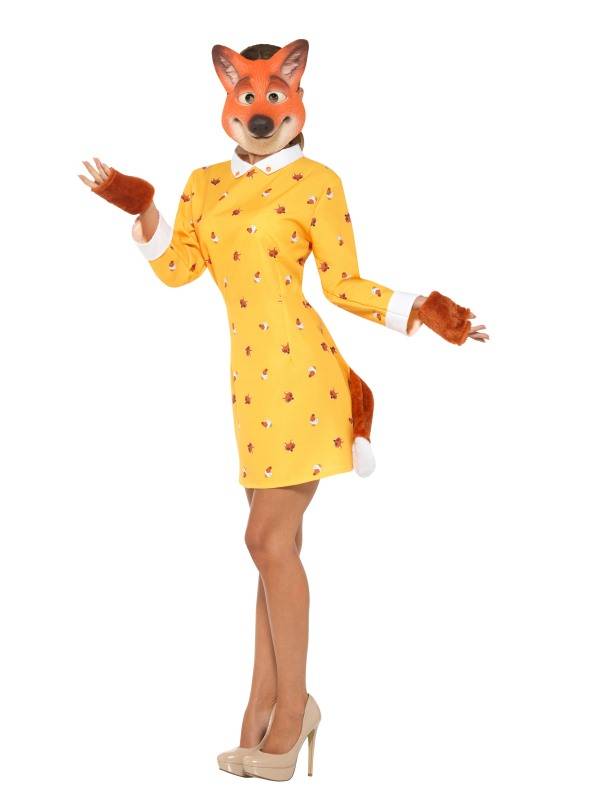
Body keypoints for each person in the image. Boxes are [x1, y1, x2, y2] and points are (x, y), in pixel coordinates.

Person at [78, 38, 489, 782]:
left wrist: (422, 309)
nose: (262, 111)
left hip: (304, 373)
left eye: (276, 96)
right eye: (248, 97)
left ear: (296, 97)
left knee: (266, 540)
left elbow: (343, 284)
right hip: (250, 382)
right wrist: (144, 211)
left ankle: (293, 713)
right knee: (275, 548)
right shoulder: (205, 183)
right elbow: (179, 270)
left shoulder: (317, 183)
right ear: (228, 96)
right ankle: (259, 709)